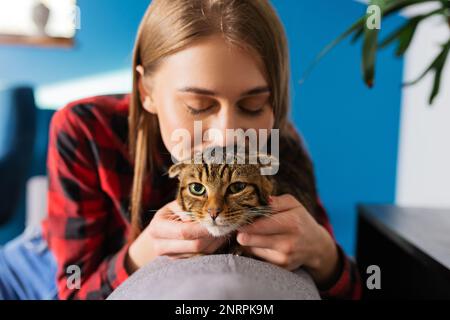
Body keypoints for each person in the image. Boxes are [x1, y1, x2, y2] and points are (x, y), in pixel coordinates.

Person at [0, 0, 361, 300]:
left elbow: (355, 288)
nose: (226, 136)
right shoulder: (85, 128)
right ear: (146, 92)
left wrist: (325, 256)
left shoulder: (279, 144)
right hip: (31, 272)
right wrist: (142, 253)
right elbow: (73, 290)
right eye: (198, 106)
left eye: (252, 106)